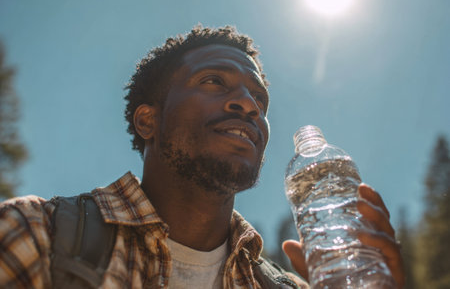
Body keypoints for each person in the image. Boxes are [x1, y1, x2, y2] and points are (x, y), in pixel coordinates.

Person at [0, 25, 404, 288]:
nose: (248, 105)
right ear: (147, 121)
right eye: (214, 81)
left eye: (259, 99)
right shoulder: (38, 235)